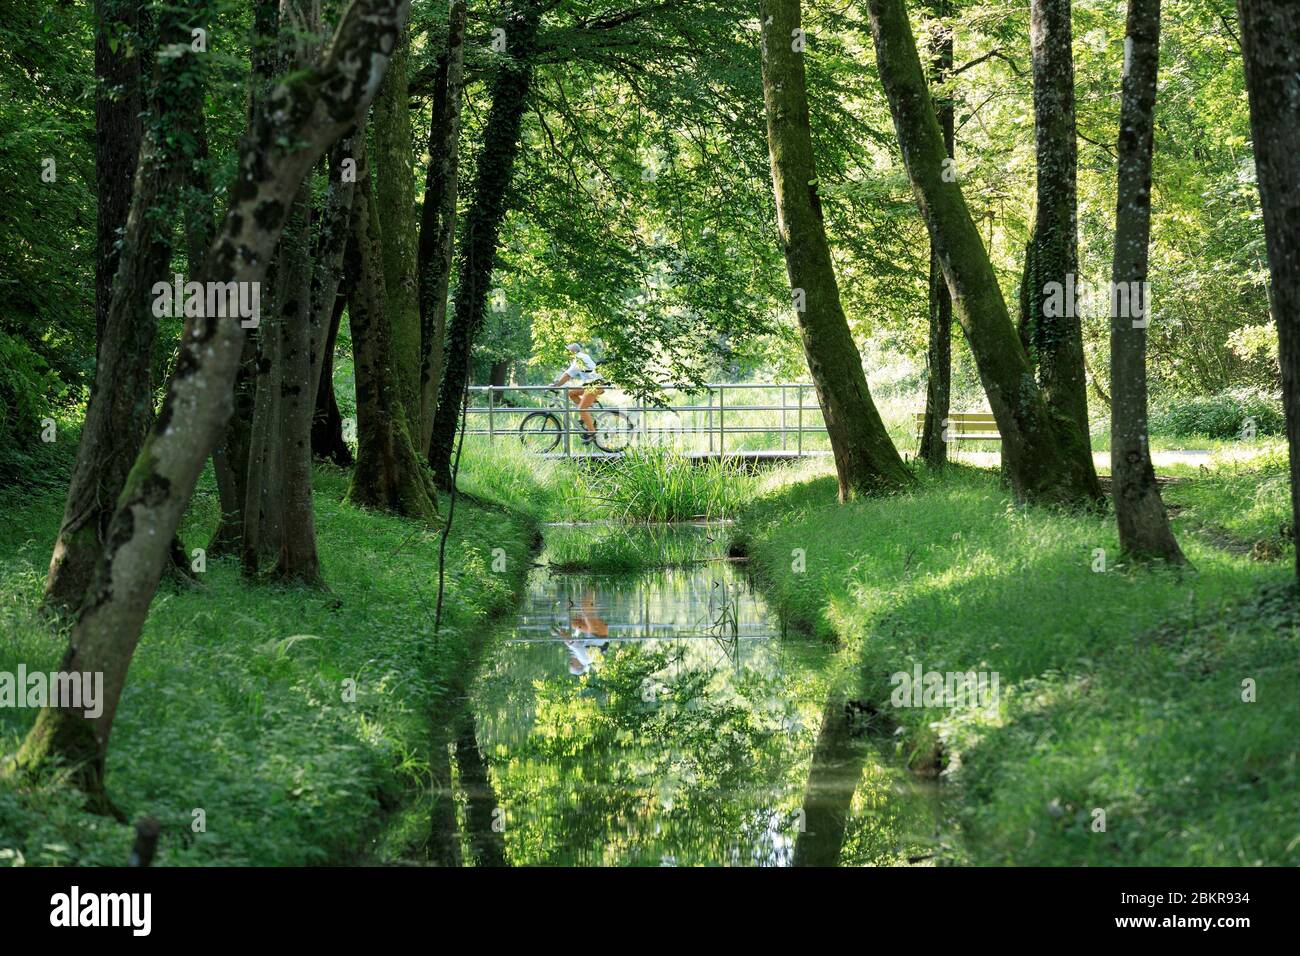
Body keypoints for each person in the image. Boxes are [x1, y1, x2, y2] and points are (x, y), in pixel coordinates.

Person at [550, 343, 603, 444]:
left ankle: (592, 434)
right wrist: (557, 382)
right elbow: (567, 373)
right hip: (590, 384)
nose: (566, 354)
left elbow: (567, 375)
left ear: (572, 352)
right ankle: (587, 414)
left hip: (595, 385)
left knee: (582, 408)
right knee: (571, 393)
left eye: (568, 352)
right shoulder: (582, 357)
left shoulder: (579, 359)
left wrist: (556, 385)